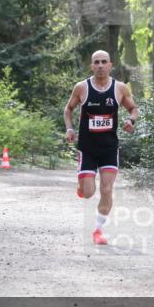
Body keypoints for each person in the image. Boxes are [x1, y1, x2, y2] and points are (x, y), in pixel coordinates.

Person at [64, 50, 139, 245]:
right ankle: (82, 186)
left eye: (104, 62)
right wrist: (70, 129)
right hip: (87, 148)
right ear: (91, 66)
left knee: (107, 189)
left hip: (109, 148)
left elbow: (134, 108)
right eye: (96, 62)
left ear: (110, 65)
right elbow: (68, 109)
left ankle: (98, 230)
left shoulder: (120, 88)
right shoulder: (81, 87)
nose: (100, 65)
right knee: (88, 193)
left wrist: (131, 120)